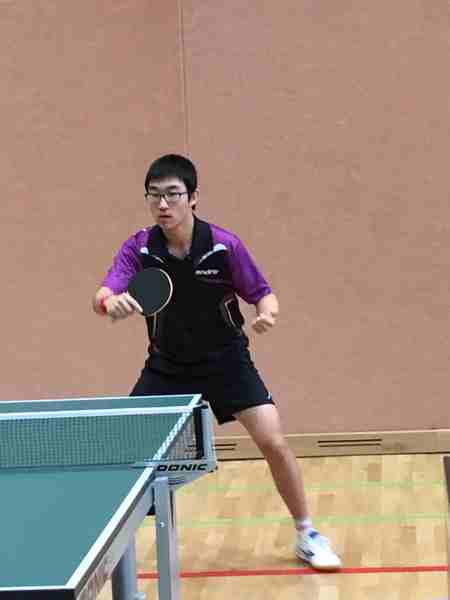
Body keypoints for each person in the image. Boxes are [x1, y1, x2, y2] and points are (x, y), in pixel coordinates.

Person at [92, 154, 341, 571]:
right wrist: (109, 303)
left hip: (227, 361)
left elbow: (262, 293)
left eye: (173, 194)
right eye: (154, 195)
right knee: (127, 449)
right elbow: (103, 294)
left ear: (193, 198)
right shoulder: (140, 247)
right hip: (167, 365)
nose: (163, 204)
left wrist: (267, 314)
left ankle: (307, 533)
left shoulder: (224, 246)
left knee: (273, 442)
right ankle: (113, 548)